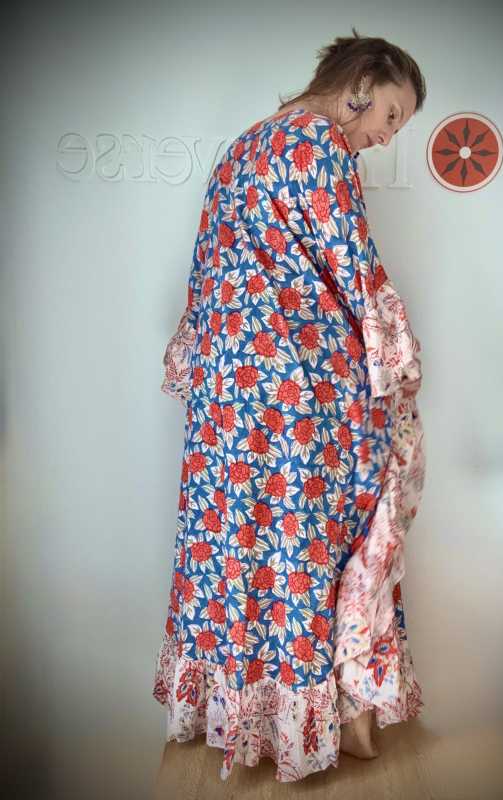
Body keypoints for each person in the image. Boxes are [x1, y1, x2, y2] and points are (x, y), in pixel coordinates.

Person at [153, 27, 427, 784]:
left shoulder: (245, 145)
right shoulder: (320, 148)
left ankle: (238, 721)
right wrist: (400, 367)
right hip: (297, 396)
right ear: (362, 84)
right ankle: (312, 728)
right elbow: (354, 267)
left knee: (235, 548)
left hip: (227, 395)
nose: (386, 135)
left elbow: (207, 270)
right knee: (304, 550)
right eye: (392, 116)